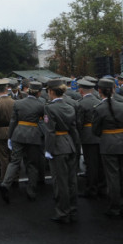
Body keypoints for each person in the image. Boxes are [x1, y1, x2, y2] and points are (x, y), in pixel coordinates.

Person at [93, 78, 123, 218]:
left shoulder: (99, 108)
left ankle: (114, 206)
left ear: (99, 90)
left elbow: (95, 131)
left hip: (108, 144)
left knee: (112, 177)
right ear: (113, 89)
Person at [0, 81, 46, 202]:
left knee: (14, 162)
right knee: (31, 164)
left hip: (18, 134)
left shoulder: (18, 103)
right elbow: (44, 122)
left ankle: (5, 184)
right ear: (39, 92)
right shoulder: (42, 104)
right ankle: (31, 191)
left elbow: (13, 121)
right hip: (33, 136)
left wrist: (10, 136)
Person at [43, 79, 80, 224]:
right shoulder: (70, 106)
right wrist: (76, 146)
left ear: (51, 91)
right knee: (72, 180)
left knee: (60, 181)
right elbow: (74, 129)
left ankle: (62, 212)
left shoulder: (50, 108)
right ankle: (72, 208)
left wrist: (48, 149)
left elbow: (50, 131)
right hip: (69, 143)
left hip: (58, 146)